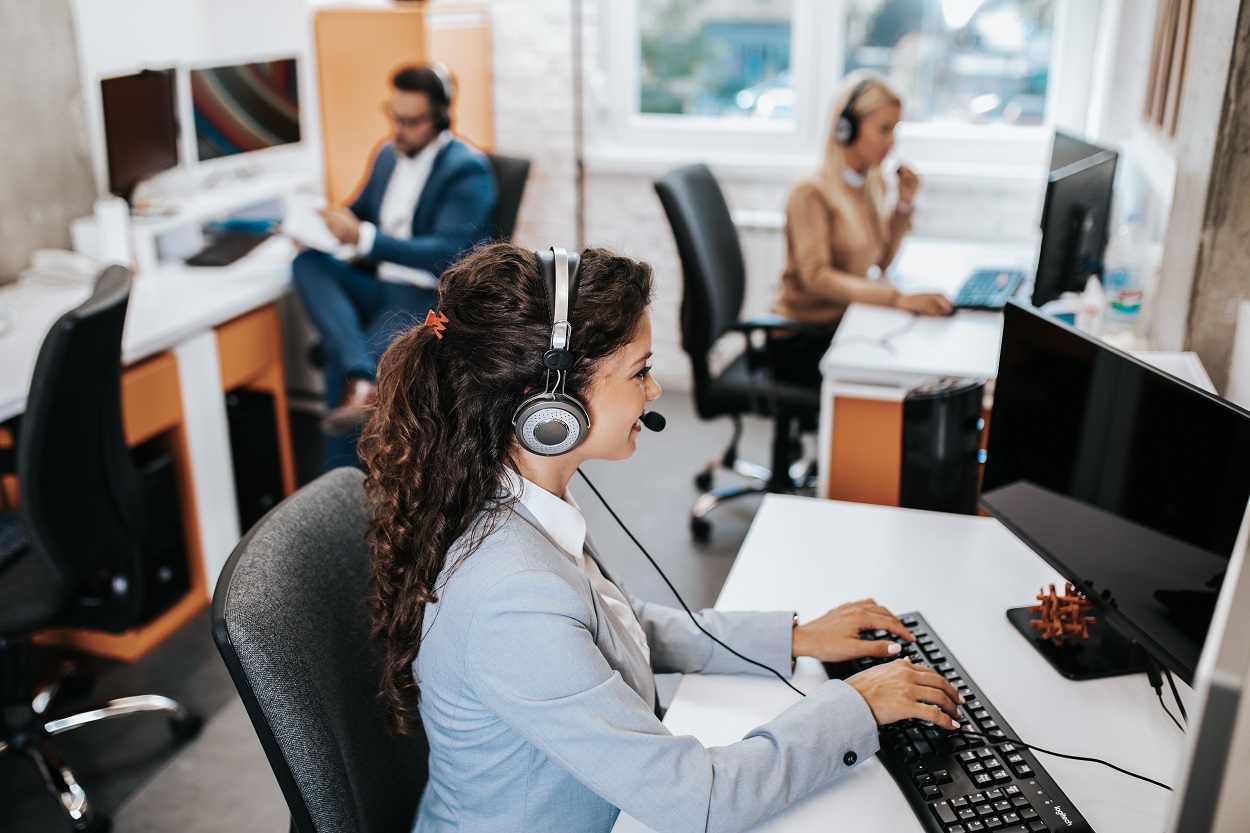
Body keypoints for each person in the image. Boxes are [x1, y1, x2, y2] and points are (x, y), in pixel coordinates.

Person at [359, 242, 964, 832]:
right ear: (550, 405)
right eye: (640, 372)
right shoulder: (510, 593)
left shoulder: (516, 500)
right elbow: (698, 800)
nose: (653, 392)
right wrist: (855, 707)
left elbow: (616, 627)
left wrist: (795, 637)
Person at [292, 63, 497, 460]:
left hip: (425, 297)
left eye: (410, 121)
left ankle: (342, 487)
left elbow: (448, 254)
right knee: (308, 265)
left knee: (340, 362)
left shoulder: (467, 170)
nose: (397, 129)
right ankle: (361, 375)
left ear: (440, 117)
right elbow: (361, 211)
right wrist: (326, 229)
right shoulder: (387, 155)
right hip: (379, 284)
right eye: (393, 116)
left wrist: (364, 238)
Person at [770, 71, 952, 387]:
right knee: (888, 377)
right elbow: (816, 278)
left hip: (843, 324)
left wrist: (903, 205)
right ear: (846, 128)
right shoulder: (811, 192)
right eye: (883, 129)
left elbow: (881, 261)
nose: (891, 141)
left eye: (895, 129)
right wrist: (896, 299)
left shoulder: (873, 182)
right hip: (802, 337)